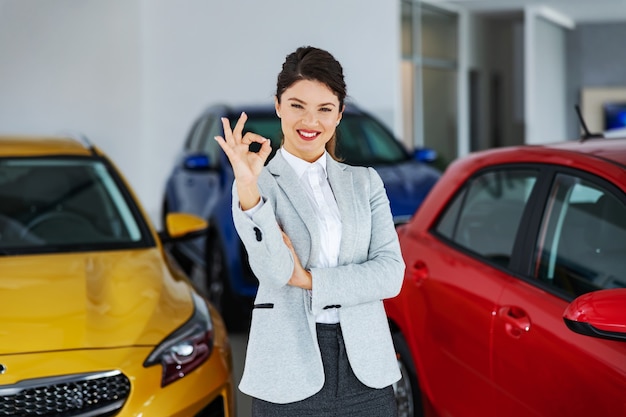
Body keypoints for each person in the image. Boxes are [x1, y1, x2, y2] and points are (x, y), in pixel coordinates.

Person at [214, 46, 405, 417]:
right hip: (288, 363)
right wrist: (248, 187)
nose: (310, 121)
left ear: (339, 114)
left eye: (324, 109)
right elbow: (272, 271)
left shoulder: (365, 183)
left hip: (365, 366)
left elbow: (391, 274)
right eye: (298, 105)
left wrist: (308, 280)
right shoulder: (256, 184)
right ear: (278, 105)